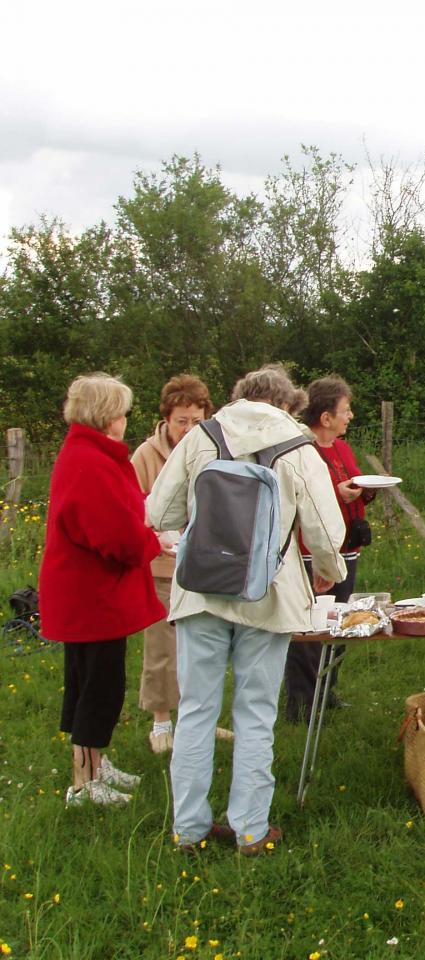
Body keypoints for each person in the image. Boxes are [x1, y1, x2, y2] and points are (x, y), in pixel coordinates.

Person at [148, 364, 347, 854]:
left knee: (195, 712)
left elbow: (159, 513)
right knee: (255, 714)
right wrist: (330, 571)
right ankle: (251, 830)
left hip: (201, 590)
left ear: (239, 397)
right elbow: (327, 530)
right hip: (269, 594)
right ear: (287, 404)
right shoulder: (298, 446)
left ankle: (188, 829)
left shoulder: (201, 436)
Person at [40, 373, 167, 806]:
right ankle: (84, 782)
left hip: (86, 595)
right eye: (124, 411)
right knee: (99, 686)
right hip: (91, 597)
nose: (126, 420)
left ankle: (92, 763)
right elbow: (114, 535)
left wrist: (147, 520)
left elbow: (120, 509)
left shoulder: (87, 454)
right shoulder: (89, 461)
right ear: (108, 415)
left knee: (88, 681)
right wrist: (154, 541)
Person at [131, 374, 228, 752]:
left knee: (203, 647)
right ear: (166, 419)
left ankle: (200, 720)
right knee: (162, 647)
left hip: (204, 567)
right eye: (181, 421)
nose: (189, 428)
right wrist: (155, 538)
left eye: (196, 420)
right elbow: (133, 510)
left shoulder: (213, 451)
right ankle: (160, 724)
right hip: (160, 565)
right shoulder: (145, 455)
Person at [283, 376, 376, 722]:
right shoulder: (300, 452)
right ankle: (300, 703)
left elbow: (355, 479)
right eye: (345, 411)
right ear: (325, 417)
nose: (349, 417)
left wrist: (364, 490)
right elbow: (303, 499)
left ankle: (327, 692)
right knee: (310, 627)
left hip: (347, 547)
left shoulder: (341, 446)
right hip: (313, 552)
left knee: (339, 623)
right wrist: (339, 493)